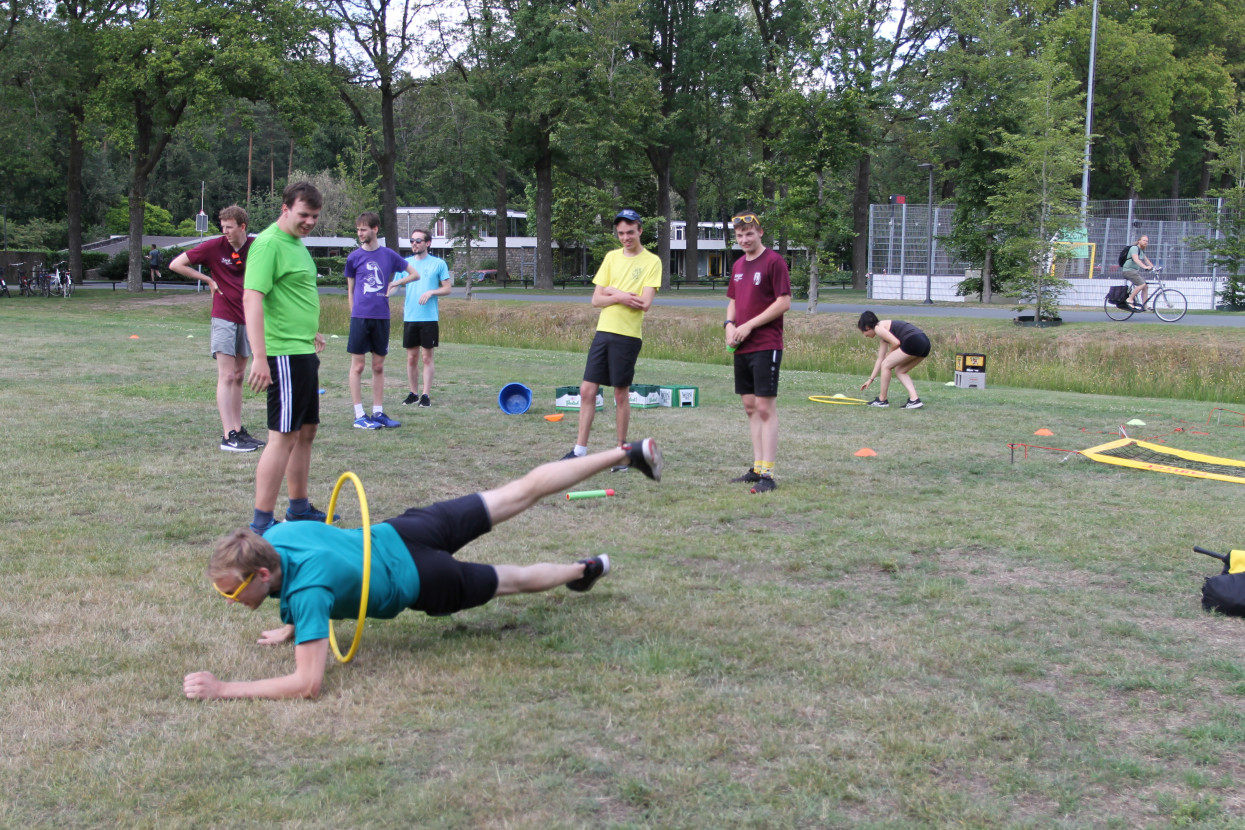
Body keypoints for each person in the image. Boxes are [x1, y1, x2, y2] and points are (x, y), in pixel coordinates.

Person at [182, 438, 663, 701]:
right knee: (518, 491)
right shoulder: (280, 537)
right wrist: (293, 628)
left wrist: (225, 688)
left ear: (262, 576)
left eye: (231, 591)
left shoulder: (308, 597)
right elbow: (313, 574)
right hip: (406, 530)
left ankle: (584, 568)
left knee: (510, 581)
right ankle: (626, 452)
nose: (229, 599)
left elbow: (307, 684)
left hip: (421, 580)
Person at [243, 181, 329, 534]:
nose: (309, 221)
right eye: (303, 214)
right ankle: (262, 522)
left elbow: (292, 295)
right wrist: (259, 357)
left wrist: (311, 329)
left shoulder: (297, 245)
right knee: (283, 435)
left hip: (303, 350)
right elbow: (252, 299)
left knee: (305, 431)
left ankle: (299, 508)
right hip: (283, 355)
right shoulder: (268, 244)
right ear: (285, 208)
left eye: (314, 216)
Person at [562, 209, 661, 461]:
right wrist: (620, 295)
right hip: (603, 332)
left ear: (640, 230)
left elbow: (644, 303)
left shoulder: (652, 262)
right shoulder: (611, 258)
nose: (625, 237)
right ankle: (579, 451)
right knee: (587, 390)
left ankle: (621, 453)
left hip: (628, 336)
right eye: (620, 233)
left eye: (630, 232)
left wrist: (613, 292)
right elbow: (596, 299)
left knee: (620, 394)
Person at [168, 205, 264, 453]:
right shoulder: (214, 247)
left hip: (248, 318)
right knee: (227, 375)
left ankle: (239, 430)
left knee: (240, 376)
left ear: (242, 227)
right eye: (222, 228)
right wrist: (209, 280)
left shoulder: (256, 245)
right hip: (224, 317)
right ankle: (228, 435)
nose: (225, 232)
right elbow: (176, 264)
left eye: (229, 227)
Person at [724, 209, 791, 494]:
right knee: (750, 407)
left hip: (766, 344)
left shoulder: (774, 262)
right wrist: (729, 325)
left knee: (765, 407)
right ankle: (757, 467)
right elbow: (732, 301)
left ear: (760, 233)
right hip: (742, 347)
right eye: (739, 235)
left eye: (749, 233)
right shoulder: (738, 265)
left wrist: (749, 325)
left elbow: (784, 302)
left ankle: (769, 474)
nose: (744, 239)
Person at [343, 212, 417, 430]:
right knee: (358, 366)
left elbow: (414, 274)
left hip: (382, 318)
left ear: (375, 229)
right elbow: (351, 290)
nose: (360, 233)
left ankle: (378, 412)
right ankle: (359, 415)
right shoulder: (353, 258)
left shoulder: (389, 255)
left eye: (363, 229)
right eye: (358, 229)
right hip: (360, 318)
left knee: (378, 366)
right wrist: (353, 314)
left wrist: (395, 284)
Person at [391, 228, 452, 408]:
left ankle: (425, 395)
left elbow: (447, 288)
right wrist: (385, 293)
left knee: (427, 357)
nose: (414, 244)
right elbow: (395, 287)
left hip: (429, 318)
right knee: (411, 358)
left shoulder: (438, 263)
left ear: (428, 243)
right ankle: (413, 393)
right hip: (410, 316)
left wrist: (432, 291)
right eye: (412, 241)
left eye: (418, 240)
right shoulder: (405, 264)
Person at [857, 311, 930, 409]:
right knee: (900, 370)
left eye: (864, 332)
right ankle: (914, 400)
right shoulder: (884, 331)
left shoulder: (878, 327)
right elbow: (880, 359)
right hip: (925, 343)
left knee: (886, 365)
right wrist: (870, 379)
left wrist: (890, 353)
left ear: (867, 327)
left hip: (913, 340)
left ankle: (882, 400)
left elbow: (896, 342)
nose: (865, 335)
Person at [1123, 234, 1155, 311]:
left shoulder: (1141, 251)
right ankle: (1130, 299)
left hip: (1135, 271)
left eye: (1147, 241)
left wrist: (1153, 268)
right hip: (1128, 270)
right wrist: (1145, 267)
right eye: (1144, 240)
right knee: (1142, 284)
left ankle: (1145, 306)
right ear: (1139, 241)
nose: (1145, 242)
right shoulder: (1134, 248)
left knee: (1145, 287)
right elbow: (1136, 259)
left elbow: (1146, 260)